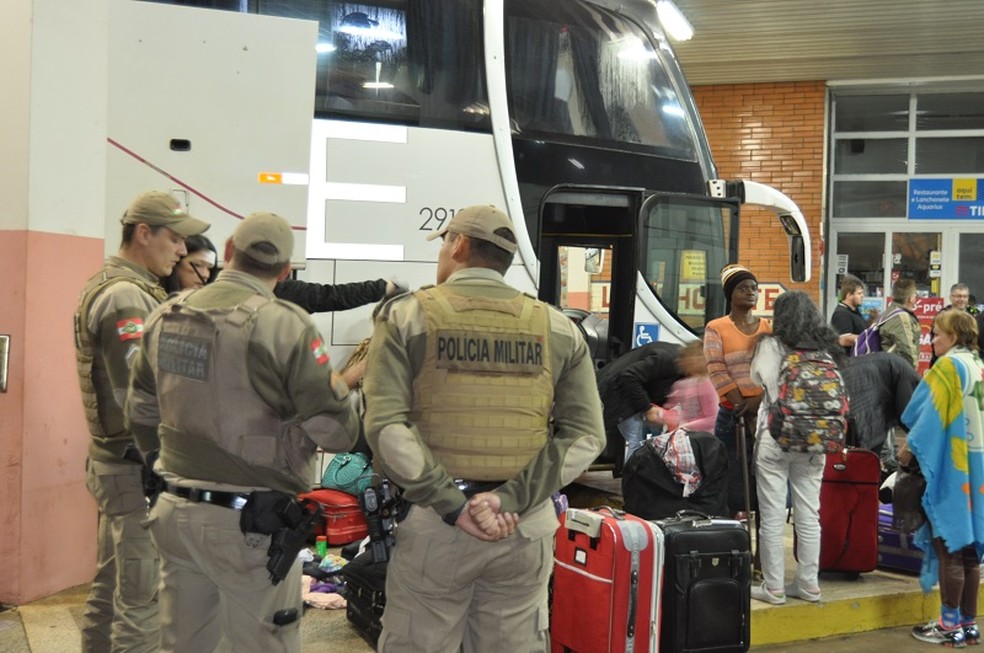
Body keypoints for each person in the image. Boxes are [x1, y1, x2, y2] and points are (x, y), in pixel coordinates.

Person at [362, 204, 605, 652]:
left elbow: (386, 426)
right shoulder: (556, 327)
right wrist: (508, 498)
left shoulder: (406, 316)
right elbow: (586, 436)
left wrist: (453, 505)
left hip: (437, 531)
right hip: (523, 527)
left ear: (458, 244)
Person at [124, 212, 360, 653]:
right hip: (251, 525)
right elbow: (337, 431)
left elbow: (138, 411)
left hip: (175, 512)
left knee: (183, 642)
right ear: (286, 271)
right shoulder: (285, 324)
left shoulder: (165, 315)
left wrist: (163, 466)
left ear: (229, 250)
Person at [74, 190, 210, 653]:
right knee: (142, 599)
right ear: (143, 233)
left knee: (112, 589)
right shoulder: (126, 297)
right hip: (134, 469)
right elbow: (138, 394)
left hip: (116, 463)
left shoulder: (124, 286)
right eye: (174, 239)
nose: (180, 251)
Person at [748, 291, 845, 605]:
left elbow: (757, 380)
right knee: (809, 514)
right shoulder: (826, 352)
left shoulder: (770, 345)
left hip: (776, 437)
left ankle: (774, 587)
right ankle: (808, 583)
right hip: (816, 441)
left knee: (773, 515)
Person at [901, 309, 984, 647]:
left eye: (937, 333)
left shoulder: (948, 367)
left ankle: (948, 625)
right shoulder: (978, 365)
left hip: (954, 465)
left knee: (949, 544)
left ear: (953, 336)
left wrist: (907, 450)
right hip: (978, 466)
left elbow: (920, 414)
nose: (932, 340)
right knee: (970, 552)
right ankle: (968, 624)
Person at [167, 233, 404, 312]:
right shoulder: (160, 305)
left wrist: (380, 288)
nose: (204, 276)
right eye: (196, 266)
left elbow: (328, 295)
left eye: (209, 268)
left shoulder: (275, 298)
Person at [704, 264, 771, 518]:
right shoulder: (716, 328)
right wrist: (742, 404)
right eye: (743, 288)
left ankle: (761, 543)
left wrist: (758, 402)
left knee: (763, 479)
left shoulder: (768, 327)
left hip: (764, 413)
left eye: (754, 288)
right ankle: (732, 533)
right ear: (730, 294)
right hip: (732, 414)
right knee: (731, 478)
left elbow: (777, 370)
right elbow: (716, 368)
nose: (751, 293)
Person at [596, 341, 682, 472]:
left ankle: (636, 479)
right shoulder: (668, 359)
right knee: (636, 440)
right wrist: (647, 408)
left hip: (621, 393)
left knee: (641, 440)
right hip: (616, 393)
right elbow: (629, 376)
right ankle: (632, 481)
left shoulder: (676, 358)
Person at [647, 340, 718, 434]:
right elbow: (674, 414)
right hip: (684, 438)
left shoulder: (706, 383)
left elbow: (712, 419)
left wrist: (682, 427)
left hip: (702, 440)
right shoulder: (680, 384)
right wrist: (659, 414)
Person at [879, 277, 921, 369]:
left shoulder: (889, 312)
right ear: (911, 298)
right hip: (897, 370)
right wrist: (913, 370)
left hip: (888, 366)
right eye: (915, 294)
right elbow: (907, 348)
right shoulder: (901, 317)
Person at [830, 274, 868, 354]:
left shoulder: (854, 310)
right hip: (848, 361)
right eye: (859, 293)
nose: (862, 296)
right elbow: (844, 339)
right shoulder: (841, 314)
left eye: (862, 293)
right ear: (849, 295)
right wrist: (868, 338)